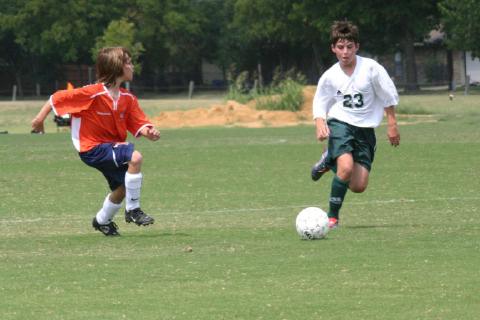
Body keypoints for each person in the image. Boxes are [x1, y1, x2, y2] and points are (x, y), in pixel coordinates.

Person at [31, 47, 161, 236]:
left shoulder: (128, 99)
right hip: (91, 148)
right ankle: (133, 210)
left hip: (110, 148)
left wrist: (150, 132)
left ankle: (102, 221)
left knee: (123, 188)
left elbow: (139, 124)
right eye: (129, 62)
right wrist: (39, 119)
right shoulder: (92, 94)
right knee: (135, 157)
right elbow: (56, 99)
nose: (132, 66)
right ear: (117, 67)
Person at [310, 20, 400, 229]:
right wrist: (319, 122)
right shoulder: (330, 76)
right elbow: (320, 101)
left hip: (365, 131)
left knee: (358, 185)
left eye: (349, 47)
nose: (345, 52)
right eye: (340, 47)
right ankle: (332, 218)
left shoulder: (371, 69)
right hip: (340, 123)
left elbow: (388, 96)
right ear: (333, 48)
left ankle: (328, 160)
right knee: (346, 167)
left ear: (357, 46)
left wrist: (392, 124)